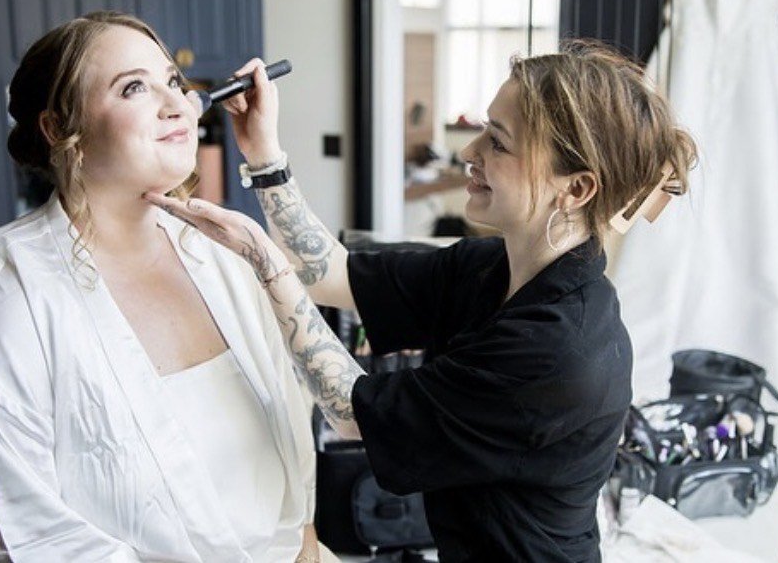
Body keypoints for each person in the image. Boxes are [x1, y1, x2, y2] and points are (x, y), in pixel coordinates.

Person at [148, 41, 697, 561]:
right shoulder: (491, 267)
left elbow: (350, 409)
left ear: (575, 189)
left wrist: (264, 264)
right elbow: (332, 272)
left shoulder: (558, 349)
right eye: (483, 129)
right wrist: (265, 155)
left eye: (498, 142)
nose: (469, 152)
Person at [0, 11, 329, 562]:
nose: (177, 104)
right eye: (134, 87)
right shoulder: (1, 291)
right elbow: (19, 537)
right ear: (59, 128)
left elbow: (294, 435)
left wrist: (304, 543)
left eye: (175, 83)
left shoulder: (221, 255)